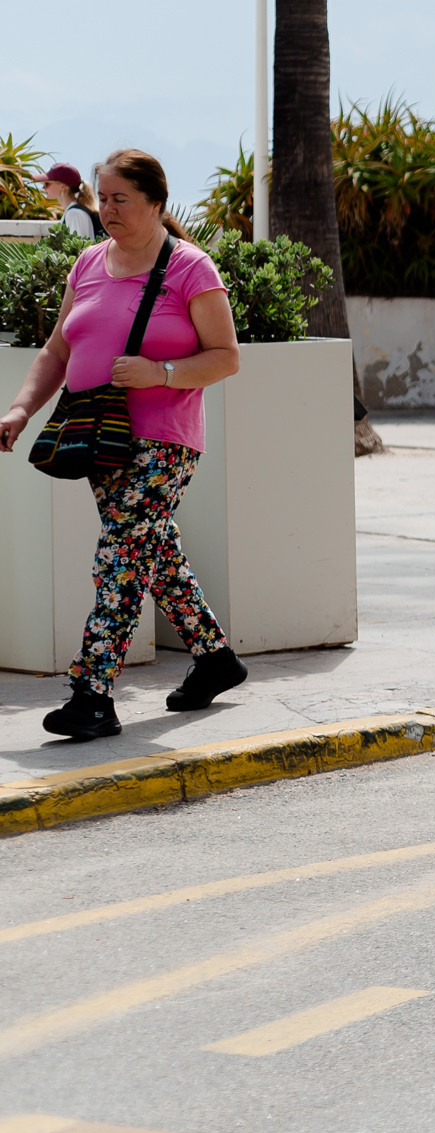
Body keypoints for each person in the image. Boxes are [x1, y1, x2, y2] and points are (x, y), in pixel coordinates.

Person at [0, 150, 246, 741]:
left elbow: (226, 357)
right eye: (102, 198)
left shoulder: (190, 268)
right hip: (96, 436)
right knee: (148, 551)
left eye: (121, 199)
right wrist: (19, 409)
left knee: (118, 555)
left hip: (163, 440)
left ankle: (93, 694)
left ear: (156, 203)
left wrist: (160, 372)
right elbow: (58, 351)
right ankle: (214, 658)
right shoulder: (87, 263)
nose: (107, 210)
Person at [41, 164, 103, 241]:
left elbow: (77, 250)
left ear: (62, 187)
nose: (43, 187)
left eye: (47, 183)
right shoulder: (74, 211)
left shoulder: (74, 214)